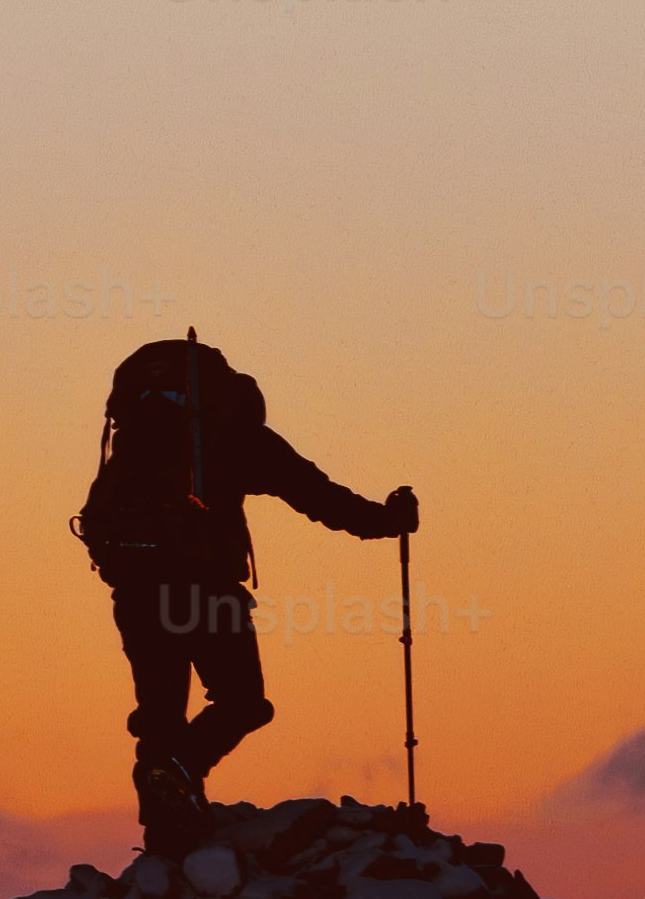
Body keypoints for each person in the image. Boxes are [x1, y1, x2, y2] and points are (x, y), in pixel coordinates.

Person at [71, 334, 414, 853]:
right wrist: (386, 521)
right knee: (243, 702)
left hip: (137, 592)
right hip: (207, 594)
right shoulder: (234, 436)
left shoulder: (136, 439)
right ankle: (180, 774)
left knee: (161, 716)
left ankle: (168, 834)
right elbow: (316, 494)